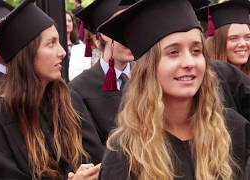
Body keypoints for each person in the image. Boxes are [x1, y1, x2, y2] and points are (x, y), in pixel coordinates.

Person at [97, 0, 249, 179]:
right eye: (173, 52)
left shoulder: (232, 129)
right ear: (148, 68)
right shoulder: (125, 151)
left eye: (196, 51)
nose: (189, 63)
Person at [0, 0, 100, 179]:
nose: (62, 52)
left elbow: (96, 159)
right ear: (26, 55)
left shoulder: (67, 101)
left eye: (59, 41)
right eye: (51, 43)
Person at [70, 0, 134, 164]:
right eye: (122, 26)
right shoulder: (79, 89)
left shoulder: (150, 78)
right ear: (105, 33)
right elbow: (92, 154)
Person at [196, 0, 250, 75]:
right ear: (217, 43)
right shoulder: (206, 81)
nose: (243, 44)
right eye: (234, 38)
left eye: (247, 37)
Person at [66, 11, 91, 81]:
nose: (67, 24)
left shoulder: (80, 45)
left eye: (69, 21)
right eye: (65, 21)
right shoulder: (58, 45)